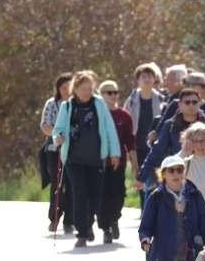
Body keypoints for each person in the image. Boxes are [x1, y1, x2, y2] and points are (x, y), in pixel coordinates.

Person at [52, 71, 121, 249]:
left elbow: (109, 128)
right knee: (79, 194)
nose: (87, 92)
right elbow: (58, 129)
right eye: (83, 89)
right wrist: (58, 137)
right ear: (75, 89)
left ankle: (95, 225)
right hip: (74, 159)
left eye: (90, 89)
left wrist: (114, 153)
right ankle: (82, 233)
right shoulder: (67, 106)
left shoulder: (99, 104)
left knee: (96, 196)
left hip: (96, 158)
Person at [141, 85, 205, 189]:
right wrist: (142, 176)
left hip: (201, 174)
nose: (191, 105)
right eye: (187, 102)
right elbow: (157, 151)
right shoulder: (170, 126)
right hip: (176, 174)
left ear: (199, 104)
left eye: (194, 102)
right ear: (180, 105)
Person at [97, 80, 135, 242]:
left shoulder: (124, 116)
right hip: (98, 163)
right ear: (101, 95)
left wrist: (135, 165)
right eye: (109, 92)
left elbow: (130, 142)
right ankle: (105, 227)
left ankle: (114, 219)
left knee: (118, 194)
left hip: (118, 163)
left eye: (115, 92)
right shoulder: (97, 115)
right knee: (102, 195)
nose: (113, 95)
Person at [41, 73, 74, 233]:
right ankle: (54, 218)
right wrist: (57, 134)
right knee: (57, 183)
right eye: (63, 88)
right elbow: (45, 125)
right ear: (58, 89)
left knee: (73, 184)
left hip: (75, 150)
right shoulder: (52, 104)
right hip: (55, 150)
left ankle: (70, 220)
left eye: (69, 87)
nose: (66, 91)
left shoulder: (77, 105)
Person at [124, 62, 165, 188]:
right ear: (138, 80)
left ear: (154, 79)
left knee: (155, 181)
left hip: (155, 147)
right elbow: (125, 124)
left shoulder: (161, 100)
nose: (147, 79)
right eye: (143, 76)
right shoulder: (131, 100)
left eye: (150, 76)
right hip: (137, 147)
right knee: (140, 181)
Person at [178, 123, 205, 206]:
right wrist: (184, 151)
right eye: (195, 141)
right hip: (193, 210)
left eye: (203, 141)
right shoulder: (185, 163)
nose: (200, 145)